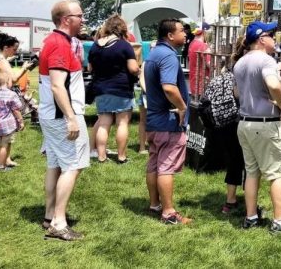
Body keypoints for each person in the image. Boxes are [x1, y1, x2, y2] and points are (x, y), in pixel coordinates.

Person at [234, 21, 281, 233]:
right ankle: (279, 222)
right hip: (265, 124)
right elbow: (273, 84)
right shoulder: (267, 60)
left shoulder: (240, 62)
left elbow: (236, 93)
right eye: (271, 34)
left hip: (245, 123)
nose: (274, 38)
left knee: (252, 172)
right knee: (277, 172)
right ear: (262, 39)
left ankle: (251, 217)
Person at [38, 0, 89, 241]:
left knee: (55, 164)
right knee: (73, 165)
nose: (83, 20)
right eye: (80, 16)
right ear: (66, 19)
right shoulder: (59, 44)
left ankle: (50, 215)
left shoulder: (53, 40)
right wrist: (71, 118)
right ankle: (58, 222)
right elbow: (58, 86)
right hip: (61, 115)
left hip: (51, 114)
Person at [143, 19, 192, 226]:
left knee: (154, 164)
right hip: (167, 121)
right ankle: (169, 212)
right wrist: (182, 107)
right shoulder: (169, 56)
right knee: (166, 167)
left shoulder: (154, 53)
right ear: (170, 36)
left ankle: (155, 204)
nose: (185, 35)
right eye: (182, 31)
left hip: (154, 121)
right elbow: (169, 87)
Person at [0, 33, 35, 169]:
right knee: (1, 131)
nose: (15, 52)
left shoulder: (1, 59)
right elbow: (14, 79)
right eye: (14, 49)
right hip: (4, 98)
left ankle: (6, 158)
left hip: (3, 96)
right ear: (6, 47)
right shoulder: (2, 61)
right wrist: (24, 67)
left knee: (9, 129)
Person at [88, 15, 139, 164]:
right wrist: (139, 70)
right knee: (122, 123)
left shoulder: (95, 45)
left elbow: (90, 68)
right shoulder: (124, 45)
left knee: (103, 123)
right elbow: (133, 68)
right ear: (122, 28)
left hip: (100, 89)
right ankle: (121, 157)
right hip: (121, 88)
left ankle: (101, 156)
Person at [202, 53, 245, 214]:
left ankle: (230, 200)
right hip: (239, 121)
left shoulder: (222, 75)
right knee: (247, 163)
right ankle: (247, 202)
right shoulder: (242, 74)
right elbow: (239, 96)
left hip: (221, 124)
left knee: (234, 160)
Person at [0, 70, 26, 171]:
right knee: (4, 146)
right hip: (7, 125)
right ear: (7, 82)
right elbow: (17, 109)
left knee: (1, 144)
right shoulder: (11, 94)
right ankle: (2, 166)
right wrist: (21, 121)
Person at [187, 26, 211, 101]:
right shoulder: (203, 46)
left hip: (194, 82)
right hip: (203, 84)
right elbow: (210, 65)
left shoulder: (192, 44)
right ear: (204, 33)